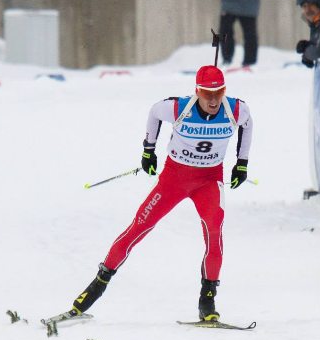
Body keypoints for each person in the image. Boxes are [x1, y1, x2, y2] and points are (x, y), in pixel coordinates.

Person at [67, 65, 253, 322]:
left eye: (218, 93)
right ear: (196, 91)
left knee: (214, 231)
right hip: (174, 179)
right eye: (206, 93)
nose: (213, 99)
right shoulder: (179, 108)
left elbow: (247, 124)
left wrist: (241, 163)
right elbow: (154, 112)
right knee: (139, 226)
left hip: (209, 181)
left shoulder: (235, 109)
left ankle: (207, 300)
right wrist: (148, 151)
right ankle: (95, 288)